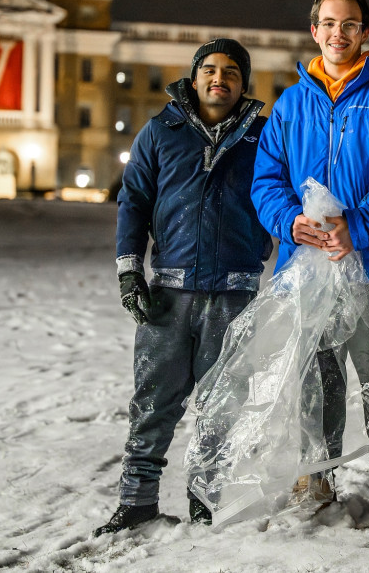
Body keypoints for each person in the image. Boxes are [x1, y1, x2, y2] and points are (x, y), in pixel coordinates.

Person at [251, 0, 369, 529]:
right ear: (314, 30)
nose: (339, 33)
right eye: (329, 23)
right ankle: (318, 472)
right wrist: (288, 220)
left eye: (350, 23)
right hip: (307, 265)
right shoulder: (291, 103)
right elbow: (267, 177)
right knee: (315, 372)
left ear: (365, 32)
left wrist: (358, 226)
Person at [95, 39, 273, 536]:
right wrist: (130, 269)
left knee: (222, 405)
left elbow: (277, 194)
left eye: (232, 72)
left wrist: (260, 249)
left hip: (234, 293)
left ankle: (205, 501)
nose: (220, 79)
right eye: (210, 70)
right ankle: (136, 500)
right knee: (154, 398)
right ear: (193, 79)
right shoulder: (161, 131)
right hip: (169, 293)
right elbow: (133, 201)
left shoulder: (263, 135)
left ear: (244, 83)